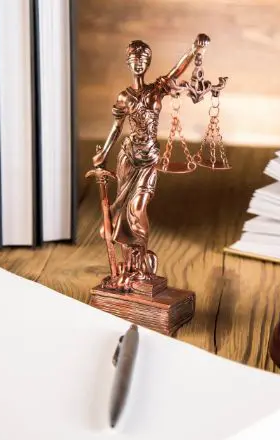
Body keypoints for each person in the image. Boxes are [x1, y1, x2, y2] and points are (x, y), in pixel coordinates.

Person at [91, 34, 209, 290]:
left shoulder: (156, 89)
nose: (138, 63)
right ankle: (130, 266)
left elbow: (177, 71)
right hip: (128, 157)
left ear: (148, 62)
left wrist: (192, 50)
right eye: (134, 59)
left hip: (149, 159)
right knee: (122, 211)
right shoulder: (124, 97)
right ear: (128, 62)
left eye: (143, 59)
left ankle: (141, 256)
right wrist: (104, 154)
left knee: (138, 205)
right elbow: (116, 127)